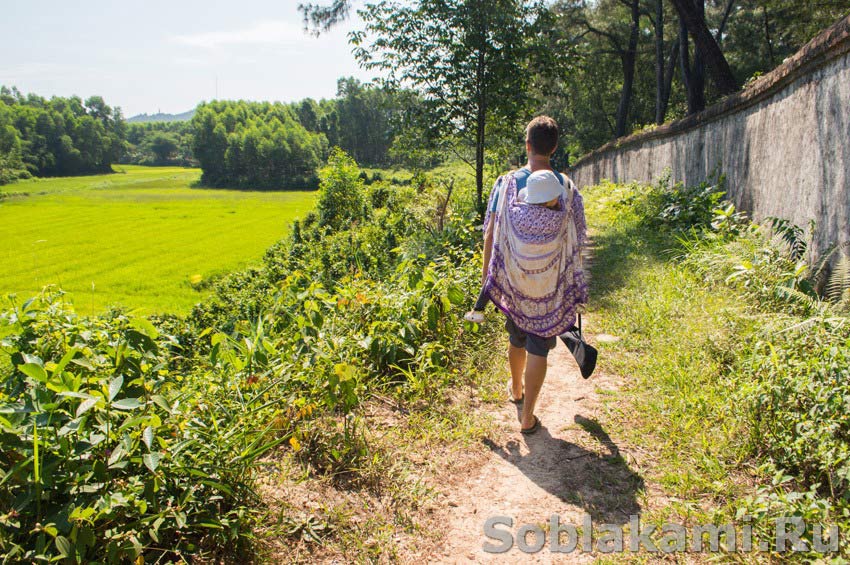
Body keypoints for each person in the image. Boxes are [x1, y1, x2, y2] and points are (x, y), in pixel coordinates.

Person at [468, 115, 588, 435]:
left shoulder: (506, 184)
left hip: (515, 281)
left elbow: (491, 234)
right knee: (538, 346)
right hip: (549, 286)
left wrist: (487, 281)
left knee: (516, 337)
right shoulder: (565, 186)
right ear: (555, 148)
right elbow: (577, 235)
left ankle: (516, 390)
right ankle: (528, 415)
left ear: (527, 145)